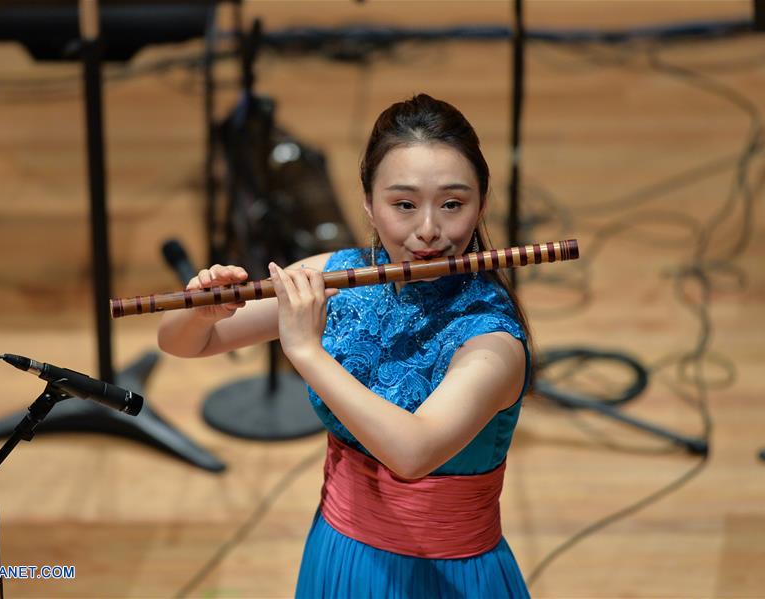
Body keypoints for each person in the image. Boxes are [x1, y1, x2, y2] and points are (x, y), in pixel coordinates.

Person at [158, 93, 533, 598]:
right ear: (369, 206)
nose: (428, 231)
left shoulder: (492, 340)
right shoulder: (336, 276)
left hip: (446, 578)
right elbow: (187, 344)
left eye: (452, 204)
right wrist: (197, 310)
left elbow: (413, 452)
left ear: (481, 205)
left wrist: (307, 353)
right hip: (338, 551)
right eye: (403, 204)